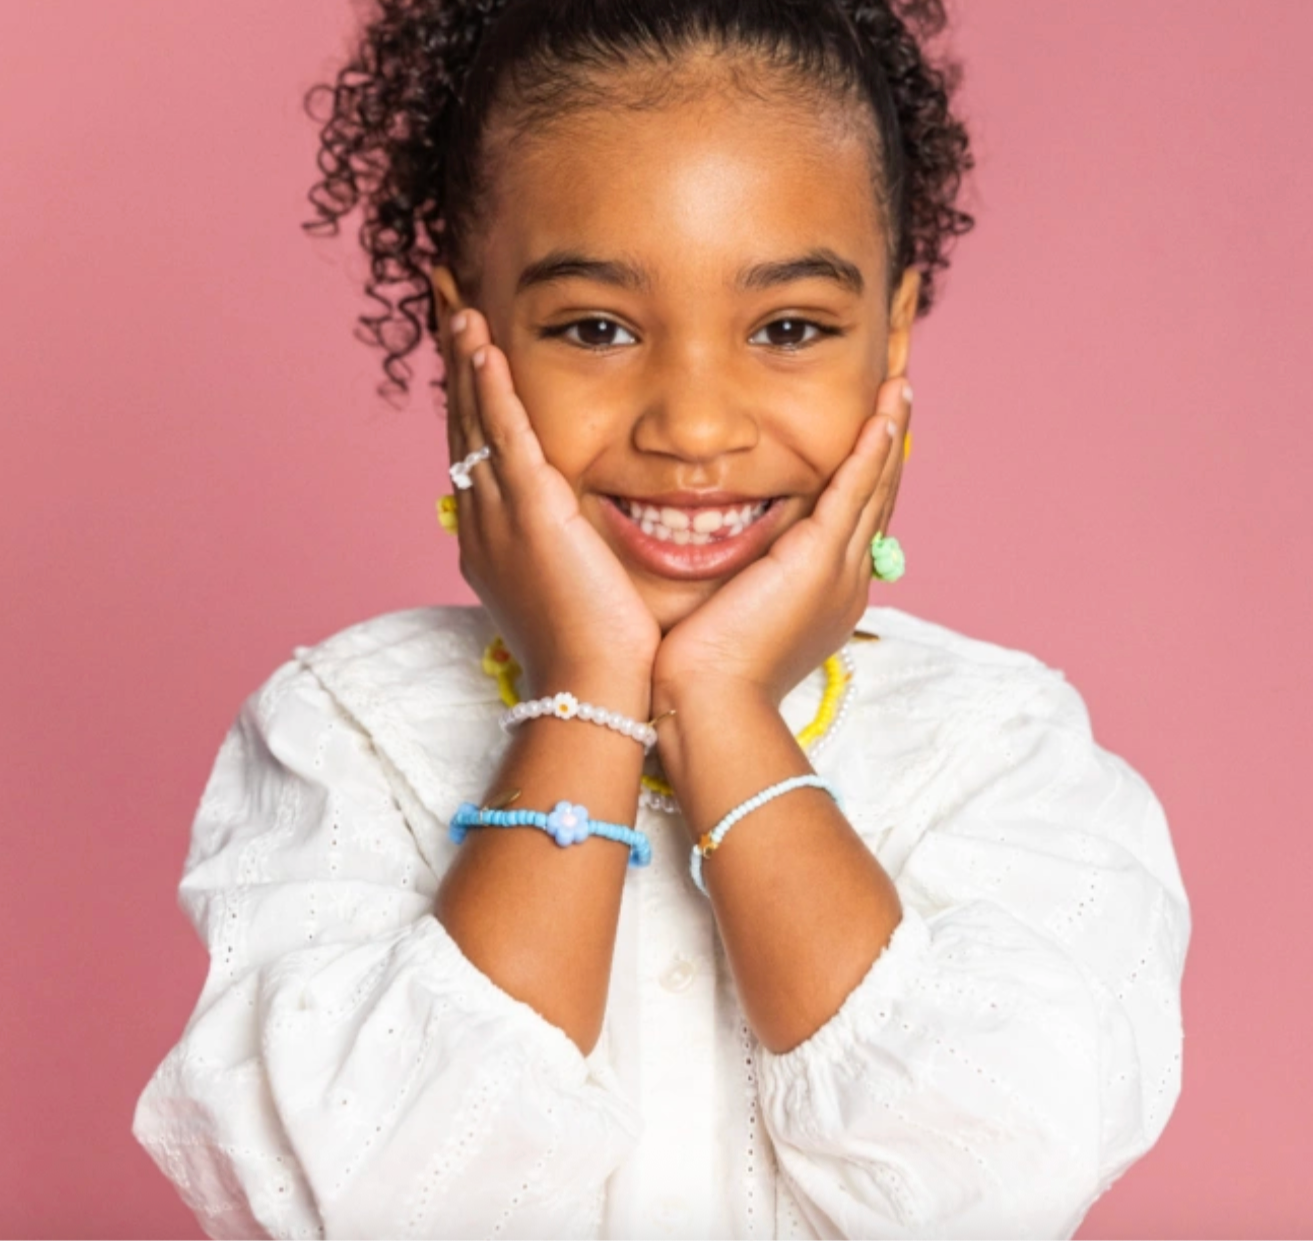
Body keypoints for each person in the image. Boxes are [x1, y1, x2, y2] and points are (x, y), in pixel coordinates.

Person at [131, 0, 1192, 1237]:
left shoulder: (998, 747)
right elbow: (374, 1203)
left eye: (787, 328)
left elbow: (987, 1188)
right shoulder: (346, 729)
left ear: (890, 335)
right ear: (461, 336)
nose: (692, 425)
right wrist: (586, 687)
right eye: (594, 327)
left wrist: (724, 708)